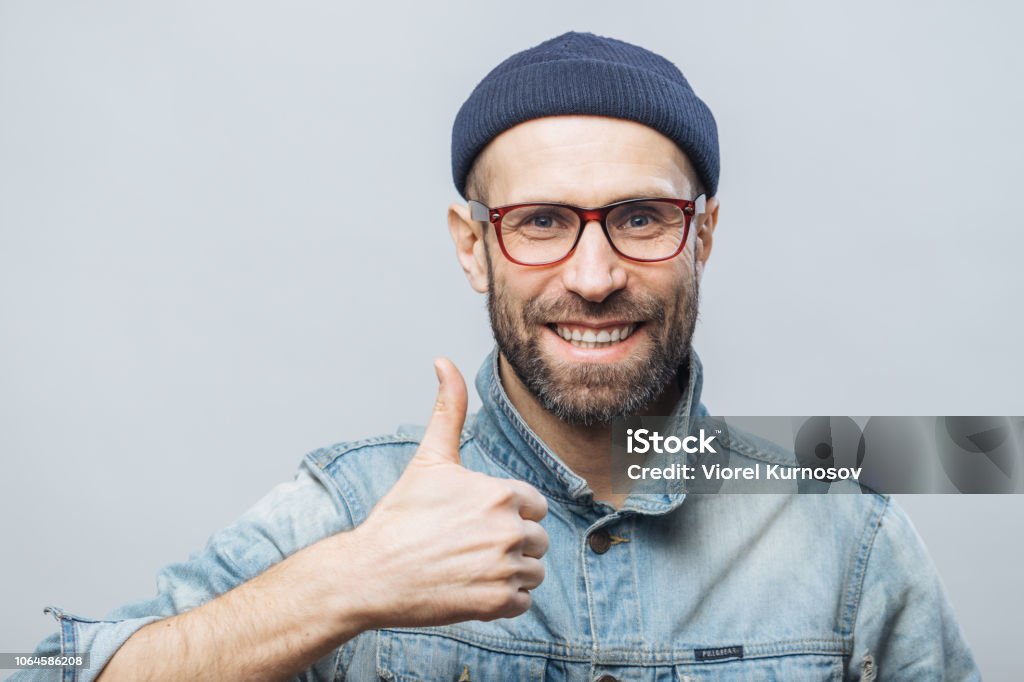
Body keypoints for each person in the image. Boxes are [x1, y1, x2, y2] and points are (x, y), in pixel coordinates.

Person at [16, 31, 978, 681]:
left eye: (642, 218)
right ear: (472, 244)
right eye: (542, 222)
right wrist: (348, 586)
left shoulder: (845, 534)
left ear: (705, 235)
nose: (593, 275)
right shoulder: (356, 513)